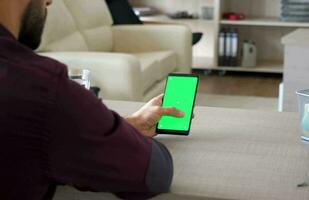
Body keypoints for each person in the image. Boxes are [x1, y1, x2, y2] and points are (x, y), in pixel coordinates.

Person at [0, 0, 185, 199]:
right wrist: (115, 132)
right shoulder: (42, 88)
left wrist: (125, 125)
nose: (50, 1)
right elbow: (154, 172)